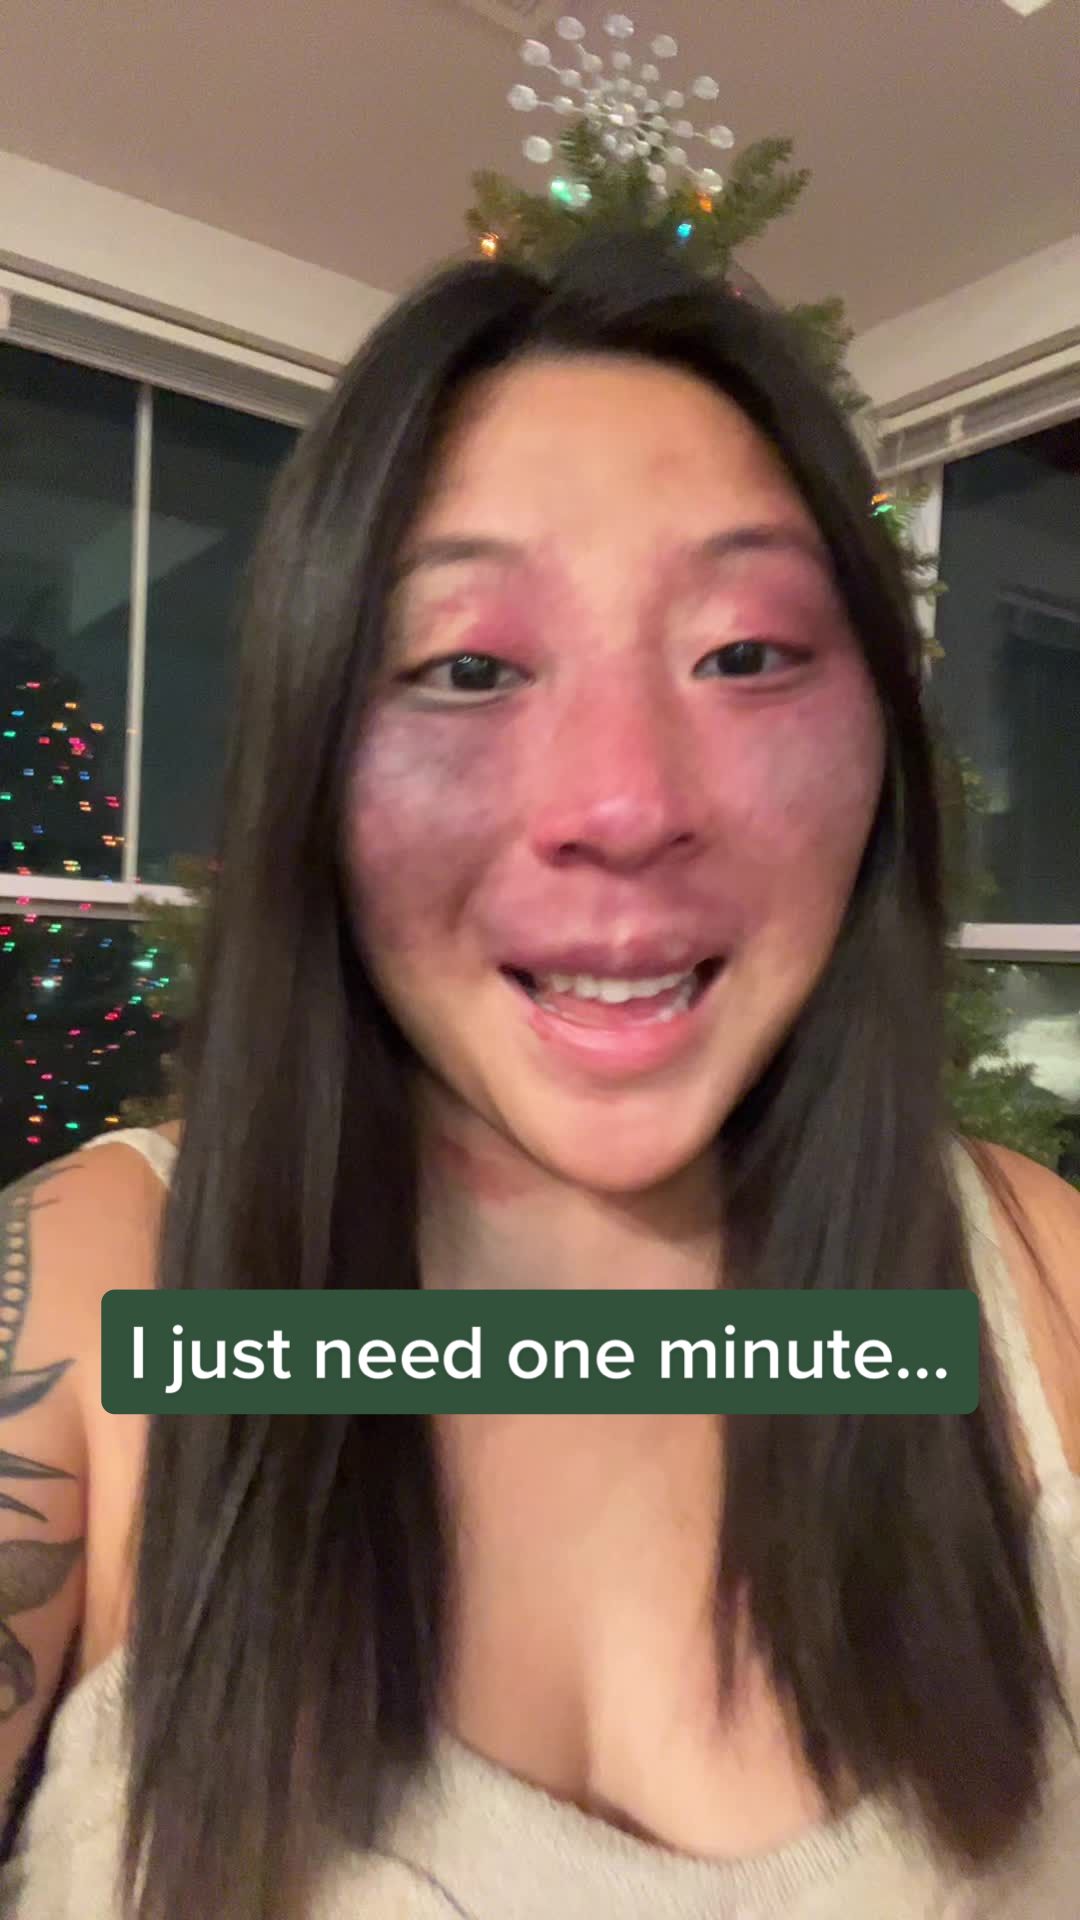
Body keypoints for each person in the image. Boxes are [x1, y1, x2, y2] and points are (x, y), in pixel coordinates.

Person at [0, 235, 1077, 1920]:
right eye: (468, 669)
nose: (624, 804)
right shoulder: (88, 1308)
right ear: (313, 762)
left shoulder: (1040, 1293)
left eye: (746, 655)